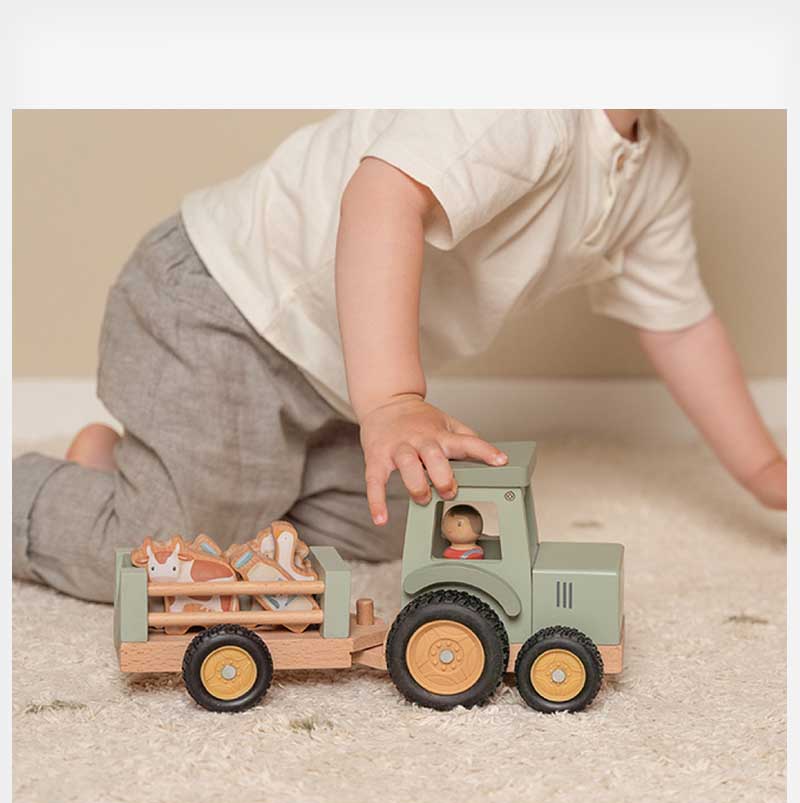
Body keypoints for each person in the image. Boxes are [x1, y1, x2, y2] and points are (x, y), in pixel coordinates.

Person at [12, 110, 787, 603]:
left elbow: (679, 323)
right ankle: (69, 494)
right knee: (177, 560)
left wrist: (765, 472)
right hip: (227, 307)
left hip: (330, 378)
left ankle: (172, 471)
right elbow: (382, 194)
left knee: (416, 524)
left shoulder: (658, 170)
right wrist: (392, 400)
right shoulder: (525, 95)